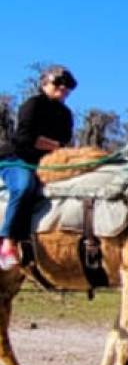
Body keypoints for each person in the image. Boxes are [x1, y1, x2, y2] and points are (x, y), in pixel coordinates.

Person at [0, 65, 78, 270]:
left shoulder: (66, 115)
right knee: (24, 187)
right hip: (17, 160)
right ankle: (7, 243)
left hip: (47, 164)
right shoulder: (32, 105)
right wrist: (54, 145)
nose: (63, 89)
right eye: (58, 84)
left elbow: (64, 142)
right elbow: (24, 139)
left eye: (67, 86)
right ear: (45, 84)